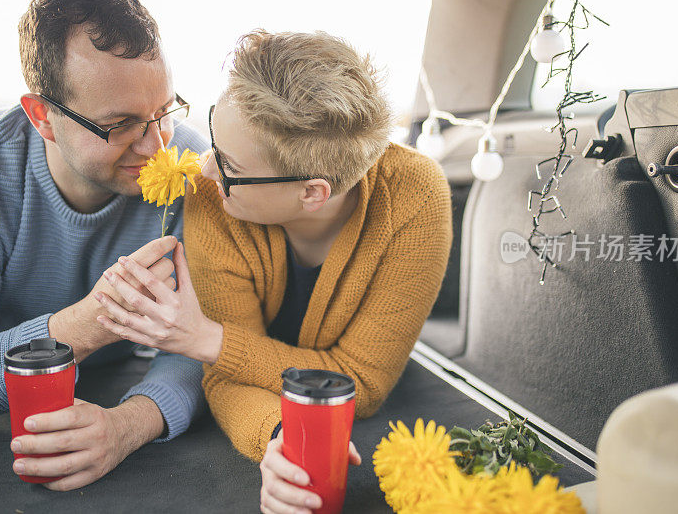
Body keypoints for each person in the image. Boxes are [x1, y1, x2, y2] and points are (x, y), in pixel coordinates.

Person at [96, 30, 452, 513]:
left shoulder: (416, 198)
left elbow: (360, 387)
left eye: (228, 163)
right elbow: (223, 378)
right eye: (212, 135)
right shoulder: (214, 197)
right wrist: (282, 436)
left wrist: (209, 340)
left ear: (313, 193)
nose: (203, 170)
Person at [0, 0, 207, 491]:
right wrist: (96, 320)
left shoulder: (189, 164)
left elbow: (201, 346)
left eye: (163, 110)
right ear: (43, 116)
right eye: (119, 124)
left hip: (130, 388)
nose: (156, 145)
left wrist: (128, 425)